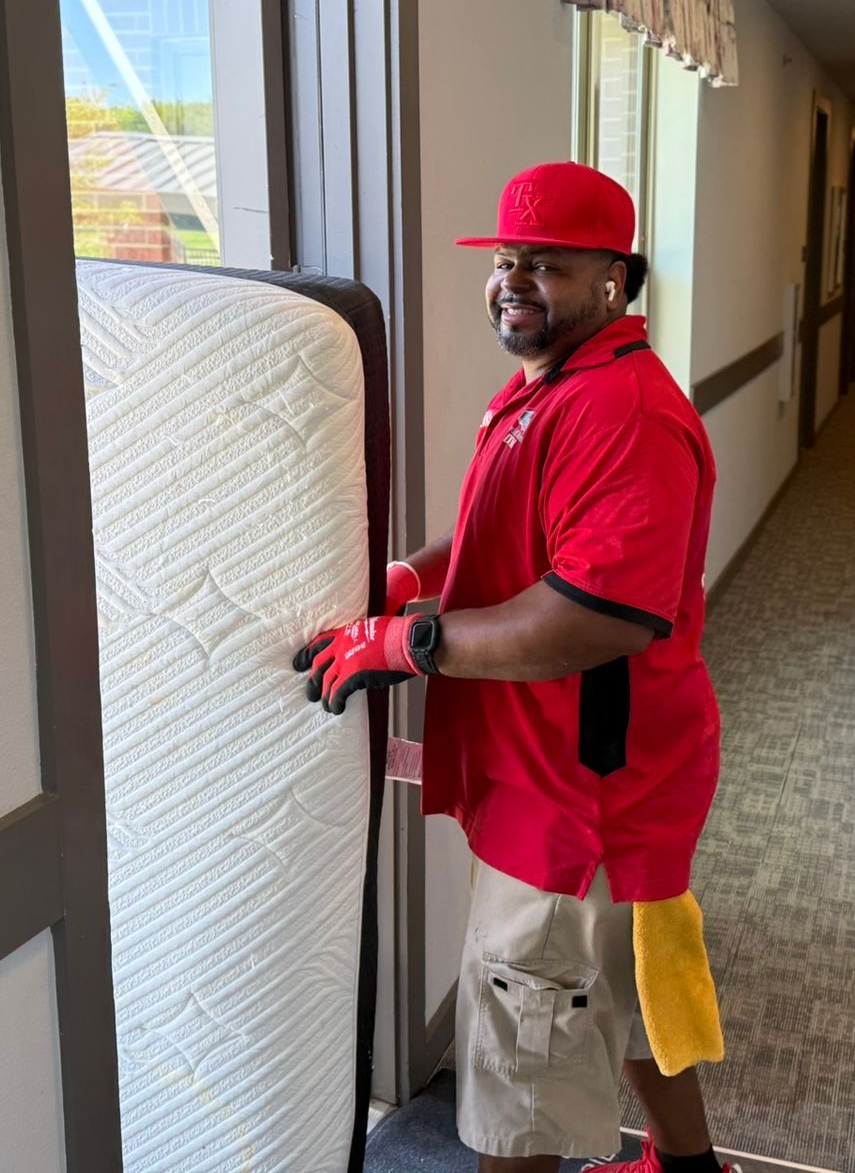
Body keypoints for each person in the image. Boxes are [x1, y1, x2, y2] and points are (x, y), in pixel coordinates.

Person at [294, 162, 734, 1172]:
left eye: (547, 262)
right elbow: (516, 539)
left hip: (579, 796)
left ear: (614, 279)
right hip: (594, 776)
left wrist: (407, 644)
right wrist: (411, 575)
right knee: (618, 989)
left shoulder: (620, 412)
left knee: (517, 1066)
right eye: (504, 259)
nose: (513, 278)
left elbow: (590, 619)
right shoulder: (553, 388)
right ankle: (690, 1168)